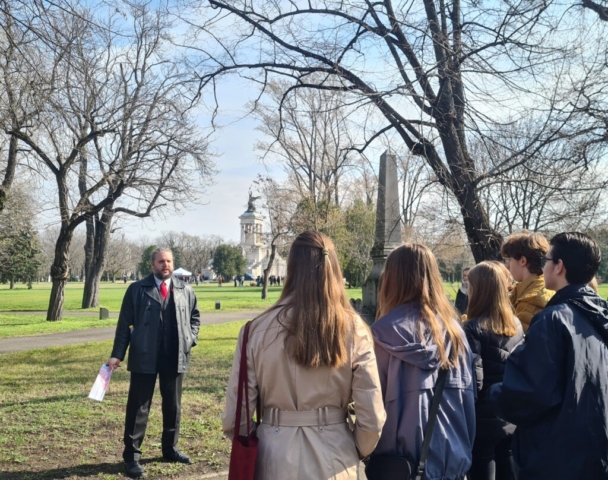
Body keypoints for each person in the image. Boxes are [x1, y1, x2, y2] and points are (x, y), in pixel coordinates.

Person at [222, 231, 386, 479]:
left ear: (292, 268)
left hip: (273, 455)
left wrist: (269, 433)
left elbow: (236, 418)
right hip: (335, 454)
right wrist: (355, 447)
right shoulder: (354, 329)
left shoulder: (254, 331)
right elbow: (371, 417)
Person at [489, 232, 608, 479]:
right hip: (596, 452)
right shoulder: (600, 316)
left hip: (556, 455)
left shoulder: (553, 319)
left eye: (546, 261)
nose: (543, 267)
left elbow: (530, 392)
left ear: (559, 266)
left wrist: (495, 393)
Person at [369, 244, 476, 480]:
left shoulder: (380, 335)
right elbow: (468, 402)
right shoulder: (456, 334)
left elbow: (371, 408)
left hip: (398, 467)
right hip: (452, 465)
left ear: (391, 279)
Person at [108, 248, 201, 479]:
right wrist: (117, 354)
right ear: (152, 264)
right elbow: (124, 325)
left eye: (168, 261)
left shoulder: (185, 289)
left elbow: (195, 317)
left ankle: (170, 448)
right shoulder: (136, 289)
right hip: (144, 356)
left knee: (173, 406)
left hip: (175, 355)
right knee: (138, 407)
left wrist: (190, 339)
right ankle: (132, 456)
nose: (165, 265)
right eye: (161, 261)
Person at [464, 262, 524, 480]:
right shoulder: (516, 324)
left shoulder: (472, 328)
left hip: (482, 418)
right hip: (510, 413)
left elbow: (475, 381)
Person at [500, 232, 553, 332]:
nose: (507, 266)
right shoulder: (529, 289)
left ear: (522, 261)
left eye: (510, 260)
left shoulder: (531, 301)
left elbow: (514, 337)